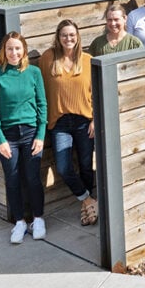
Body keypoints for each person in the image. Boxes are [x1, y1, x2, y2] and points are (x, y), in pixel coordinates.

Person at [0, 31, 47, 244]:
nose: (14, 52)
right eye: (10, 48)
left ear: (24, 50)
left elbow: (42, 105)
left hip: (31, 133)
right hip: (8, 136)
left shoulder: (34, 73)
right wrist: (0, 139)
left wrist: (40, 135)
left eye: (18, 48)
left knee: (32, 178)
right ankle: (19, 222)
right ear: (4, 51)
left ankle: (38, 219)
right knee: (12, 179)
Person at [39, 20, 98, 226]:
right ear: (58, 36)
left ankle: (87, 208)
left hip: (84, 121)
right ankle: (89, 200)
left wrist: (94, 119)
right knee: (64, 167)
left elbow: (97, 93)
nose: (68, 39)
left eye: (72, 35)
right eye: (64, 35)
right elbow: (42, 89)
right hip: (59, 122)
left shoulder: (88, 60)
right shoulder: (48, 58)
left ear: (78, 36)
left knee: (85, 165)